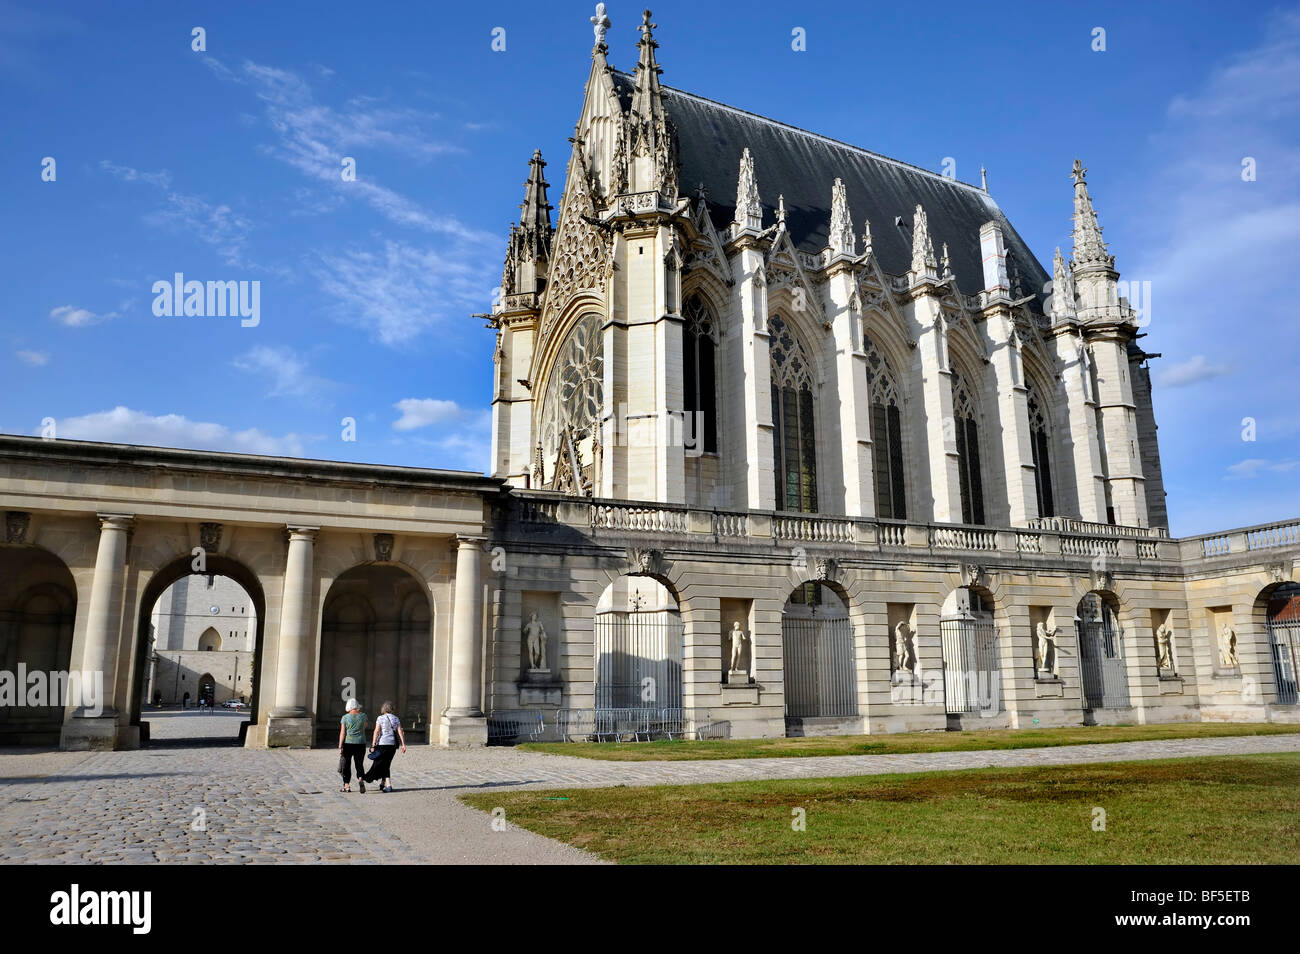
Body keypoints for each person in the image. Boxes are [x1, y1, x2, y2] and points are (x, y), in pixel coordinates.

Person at [363, 701, 406, 793]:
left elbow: (376, 731)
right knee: (386, 764)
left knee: (379, 763)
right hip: (392, 745)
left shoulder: (380, 718)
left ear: (383, 709)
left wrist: (373, 744)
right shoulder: (396, 718)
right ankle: (384, 783)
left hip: (382, 743)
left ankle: (387, 784)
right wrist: (403, 744)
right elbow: (400, 732)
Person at [337, 698, 369, 793]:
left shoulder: (345, 717)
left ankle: (347, 786)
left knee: (347, 764)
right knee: (359, 763)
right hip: (361, 743)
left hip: (348, 743)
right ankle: (360, 778)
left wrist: (340, 746)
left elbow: (342, 733)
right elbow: (365, 726)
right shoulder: (363, 716)